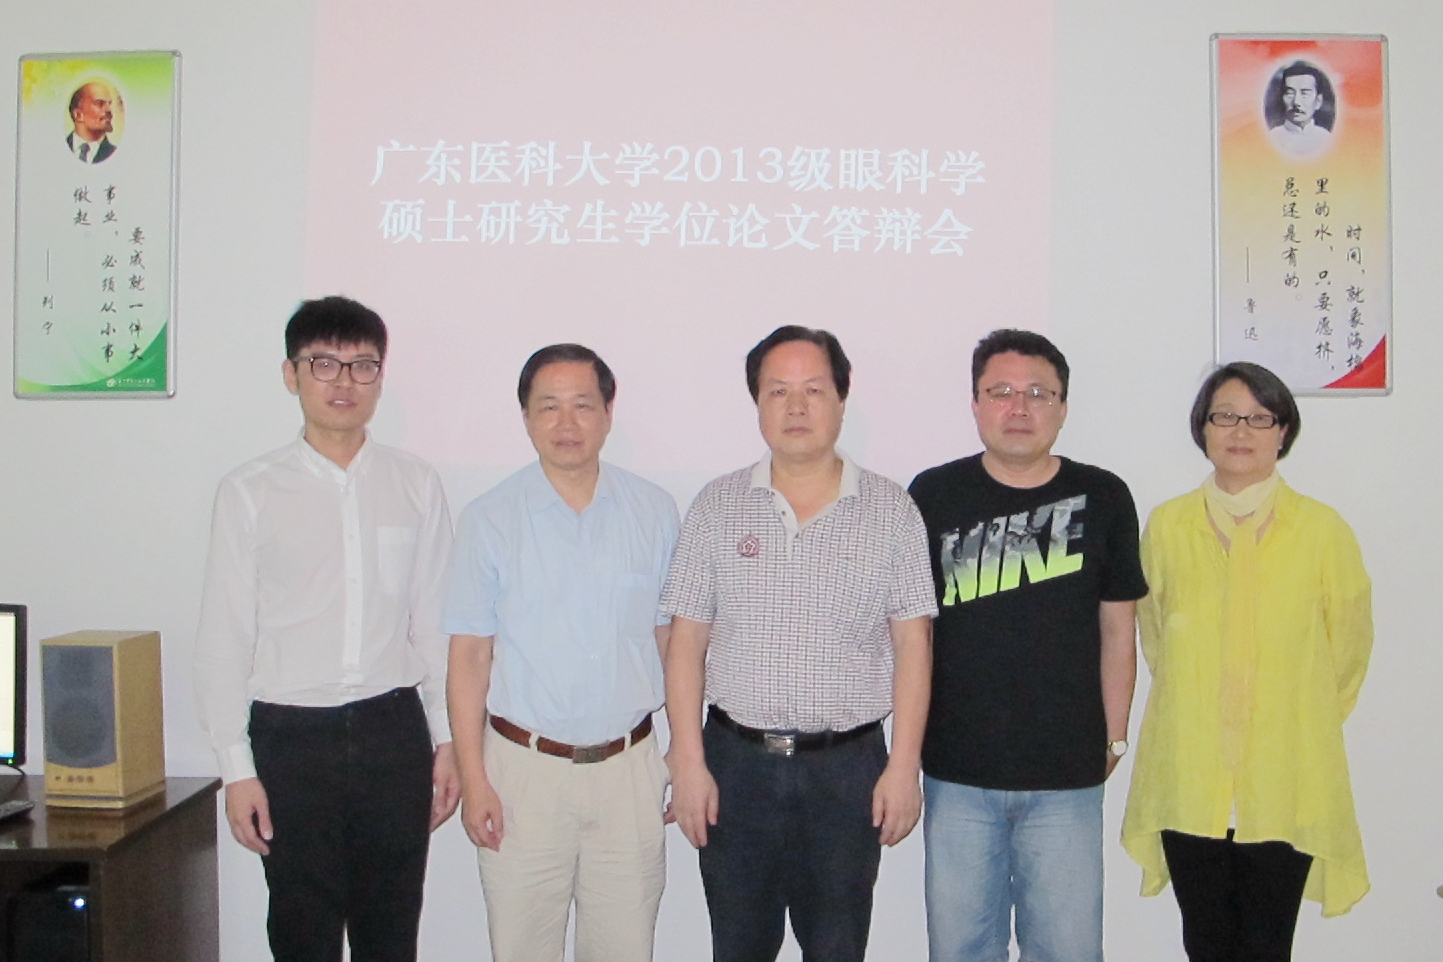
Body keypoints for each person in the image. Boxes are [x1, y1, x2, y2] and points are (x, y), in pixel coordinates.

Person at [195, 295, 460, 962]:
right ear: (291, 374)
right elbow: (224, 636)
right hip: (290, 739)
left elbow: (434, 623)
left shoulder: (415, 483)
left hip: (391, 731)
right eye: (324, 364)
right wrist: (236, 770)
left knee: (391, 931)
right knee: (300, 932)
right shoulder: (250, 491)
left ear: (380, 376)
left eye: (362, 365)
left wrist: (449, 740)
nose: (345, 381)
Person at [662, 326, 936, 962]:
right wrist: (689, 761)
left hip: (847, 769)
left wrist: (904, 767)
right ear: (757, 403)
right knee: (738, 947)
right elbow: (686, 641)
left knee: (838, 948)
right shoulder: (718, 505)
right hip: (736, 765)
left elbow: (914, 644)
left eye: (813, 389)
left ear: (841, 399)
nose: (796, 406)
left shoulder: (891, 509)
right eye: (777, 391)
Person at [908, 329, 1147, 962]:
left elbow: (1119, 629)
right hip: (957, 772)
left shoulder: (1104, 496)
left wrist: (1114, 736)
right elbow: (912, 634)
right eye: (1001, 392)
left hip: (1066, 774)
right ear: (975, 403)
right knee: (960, 949)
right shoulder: (933, 495)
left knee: (1067, 950)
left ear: (1063, 407)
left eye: (1039, 393)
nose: (1020, 408)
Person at [1122, 362, 1371, 961]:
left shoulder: (1322, 531)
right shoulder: (1167, 526)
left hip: (1286, 778)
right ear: (1203, 428)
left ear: (1283, 432)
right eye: (1226, 416)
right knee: (1205, 944)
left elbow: (1347, 654)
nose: (1241, 431)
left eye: (1261, 418)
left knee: (1267, 946)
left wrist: (1292, 722)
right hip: (1188, 776)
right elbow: (1156, 641)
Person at [444, 344, 679, 962]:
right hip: (522, 774)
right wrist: (474, 778)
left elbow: (671, 642)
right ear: (526, 417)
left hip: (629, 770)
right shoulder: (490, 519)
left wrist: (686, 748)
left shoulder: (654, 512)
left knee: (626, 951)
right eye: (548, 406)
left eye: (583, 405)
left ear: (608, 413)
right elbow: (469, 658)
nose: (566, 423)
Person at [1265, 61, 1336, 158]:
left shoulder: (1327, 139)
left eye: (1304, 93)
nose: (1296, 102)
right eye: (1290, 93)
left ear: (1318, 101)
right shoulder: (1271, 138)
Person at [67, 81, 119, 164]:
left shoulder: (117, 155)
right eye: (100, 103)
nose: (109, 110)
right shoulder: (56, 149)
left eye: (109, 104)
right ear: (78, 115)